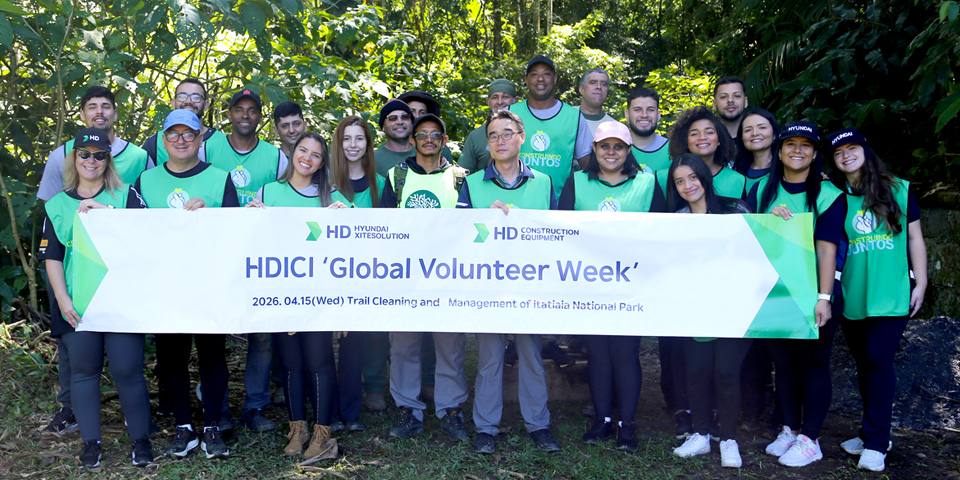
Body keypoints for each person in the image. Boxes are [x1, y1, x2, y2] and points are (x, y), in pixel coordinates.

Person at [36, 85, 149, 437]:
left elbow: (147, 240)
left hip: (121, 300)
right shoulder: (57, 203)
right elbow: (52, 256)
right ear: (73, 159)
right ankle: (90, 443)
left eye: (99, 155)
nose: (91, 160)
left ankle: (140, 441)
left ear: (108, 160)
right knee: (82, 373)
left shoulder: (126, 195)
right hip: (77, 301)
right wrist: (62, 299)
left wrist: (106, 213)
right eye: (83, 154)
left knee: (127, 371)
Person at [133, 110, 239, 459]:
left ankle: (212, 427)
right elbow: (132, 232)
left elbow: (234, 233)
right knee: (171, 358)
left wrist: (210, 216)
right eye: (174, 134)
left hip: (209, 284)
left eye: (188, 134)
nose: (181, 140)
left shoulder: (220, 178)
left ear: (199, 138)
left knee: (212, 357)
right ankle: (183, 427)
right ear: (163, 140)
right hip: (165, 286)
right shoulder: (146, 180)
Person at [457, 109, 560, 454]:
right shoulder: (472, 183)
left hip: (530, 285)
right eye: (493, 135)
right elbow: (459, 236)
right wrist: (483, 221)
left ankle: (539, 425)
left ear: (521, 137)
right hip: (488, 286)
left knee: (532, 356)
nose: (500, 140)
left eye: (507, 133)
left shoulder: (544, 182)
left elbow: (557, 236)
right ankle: (485, 428)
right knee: (489, 359)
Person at [558, 121, 664, 453]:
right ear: (594, 149)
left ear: (629, 150)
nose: (611, 152)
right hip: (589, 284)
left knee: (625, 354)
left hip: (632, 284)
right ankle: (602, 420)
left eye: (619, 146)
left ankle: (626, 425)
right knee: (598, 355)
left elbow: (664, 231)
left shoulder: (647, 183)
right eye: (604, 146)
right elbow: (561, 231)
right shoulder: (577, 181)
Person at [746, 121, 846, 468]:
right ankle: (789, 428)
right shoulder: (762, 190)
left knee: (813, 366)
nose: (797, 151)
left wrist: (824, 298)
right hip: (774, 293)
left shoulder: (828, 194)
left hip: (813, 294)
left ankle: (810, 439)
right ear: (779, 151)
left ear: (815, 154)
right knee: (784, 365)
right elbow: (748, 236)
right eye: (791, 144)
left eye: (806, 145)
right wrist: (765, 217)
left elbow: (827, 250)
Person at [827, 128, 926, 472]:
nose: (846, 156)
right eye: (839, 152)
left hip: (891, 292)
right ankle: (871, 431)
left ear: (866, 151)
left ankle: (877, 442)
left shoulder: (899, 189)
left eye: (852, 148)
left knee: (878, 359)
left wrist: (921, 281)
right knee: (864, 364)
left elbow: (914, 237)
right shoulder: (835, 196)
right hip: (854, 293)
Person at [246, 132, 349, 457]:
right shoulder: (269, 192)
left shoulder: (332, 197)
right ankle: (297, 428)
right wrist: (250, 217)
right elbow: (252, 241)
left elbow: (353, 248)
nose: (307, 158)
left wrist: (345, 219)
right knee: (290, 364)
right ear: (292, 152)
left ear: (322, 162)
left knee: (319, 362)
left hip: (319, 297)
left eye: (316, 155)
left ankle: (322, 433)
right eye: (303, 150)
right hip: (281, 293)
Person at [380, 113, 470, 440]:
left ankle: (451, 410)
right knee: (403, 346)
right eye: (422, 134)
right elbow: (385, 228)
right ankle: (408, 410)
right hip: (406, 277)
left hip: (448, 276)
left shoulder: (460, 178)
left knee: (450, 346)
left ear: (444, 141)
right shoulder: (396, 176)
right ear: (412, 140)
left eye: (435, 134)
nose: (428, 139)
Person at [205, 87, 288, 433]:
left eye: (252, 110)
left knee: (262, 334)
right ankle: (218, 406)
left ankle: (255, 406)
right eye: (238, 109)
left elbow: (287, 197)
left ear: (259, 117)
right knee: (213, 332)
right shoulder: (209, 147)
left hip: (260, 256)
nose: (245, 115)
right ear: (229, 114)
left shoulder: (275, 157)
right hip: (214, 253)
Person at [666, 154, 752, 468]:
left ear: (704, 177)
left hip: (735, 309)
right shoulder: (675, 220)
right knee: (697, 372)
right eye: (679, 181)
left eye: (692, 177)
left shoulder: (735, 209)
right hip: (695, 309)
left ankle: (728, 439)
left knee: (726, 372)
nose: (687, 185)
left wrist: (778, 217)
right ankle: (701, 435)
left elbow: (760, 246)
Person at [327, 116, 389, 413]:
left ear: (368, 144)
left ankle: (374, 386)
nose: (353, 145)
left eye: (359, 138)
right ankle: (331, 392)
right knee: (336, 337)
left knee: (374, 332)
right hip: (332, 271)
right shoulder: (325, 183)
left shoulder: (381, 184)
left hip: (370, 271)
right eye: (347, 139)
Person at [509, 54, 593, 200]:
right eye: (534, 74)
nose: (540, 79)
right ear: (526, 80)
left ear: (554, 79)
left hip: (558, 204)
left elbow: (588, 168)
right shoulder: (509, 113)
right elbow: (493, 162)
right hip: (515, 203)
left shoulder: (574, 117)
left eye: (546, 74)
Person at [664, 106, 746, 199]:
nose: (702, 137)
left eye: (709, 132)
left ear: (719, 139)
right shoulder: (667, 178)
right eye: (694, 134)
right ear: (685, 141)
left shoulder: (737, 180)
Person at [141, 78, 225, 167]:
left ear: (206, 105)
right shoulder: (155, 142)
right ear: (173, 103)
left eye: (196, 97)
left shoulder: (224, 142)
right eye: (182, 96)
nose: (188, 101)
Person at [375, 93, 454, 176]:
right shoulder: (373, 158)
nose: (399, 122)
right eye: (392, 118)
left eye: (405, 117)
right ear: (383, 126)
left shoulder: (431, 147)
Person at [458, 79, 518, 173]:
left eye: (505, 97)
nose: (500, 102)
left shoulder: (525, 131)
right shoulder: (476, 136)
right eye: (495, 97)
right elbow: (463, 173)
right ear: (488, 102)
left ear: (516, 101)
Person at [733, 108, 781, 192]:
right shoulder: (736, 172)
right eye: (748, 130)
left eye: (762, 127)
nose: (755, 133)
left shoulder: (786, 171)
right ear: (741, 137)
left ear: (774, 134)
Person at [625, 87, 670, 175]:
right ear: (627, 114)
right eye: (637, 110)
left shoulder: (673, 150)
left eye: (650, 110)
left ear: (658, 115)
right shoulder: (615, 150)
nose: (644, 115)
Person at [577, 68, 615, 135]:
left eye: (604, 84)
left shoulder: (614, 127)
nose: (599, 87)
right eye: (593, 83)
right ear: (582, 89)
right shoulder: (566, 116)